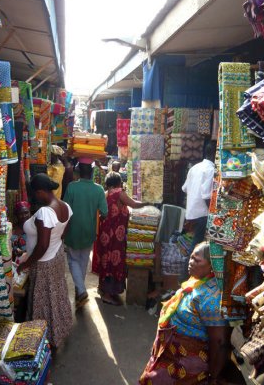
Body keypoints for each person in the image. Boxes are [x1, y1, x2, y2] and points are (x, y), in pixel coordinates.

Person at [139, 242, 229, 385]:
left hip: (185, 361)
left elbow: (218, 341)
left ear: (211, 265)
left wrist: (213, 376)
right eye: (191, 257)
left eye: (197, 260)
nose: (190, 262)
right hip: (170, 353)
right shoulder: (197, 281)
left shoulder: (212, 298)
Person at [17, 173, 73, 348]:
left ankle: (43, 340)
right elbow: (63, 233)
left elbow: (42, 245)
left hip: (44, 261)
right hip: (55, 256)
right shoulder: (65, 206)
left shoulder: (45, 212)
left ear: (41, 191)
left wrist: (26, 263)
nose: (34, 197)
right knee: (54, 294)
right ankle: (58, 331)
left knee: (43, 299)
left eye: (34, 193)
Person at [95, 172, 151, 305]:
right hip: (115, 235)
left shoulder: (105, 193)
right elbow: (133, 204)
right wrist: (148, 202)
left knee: (105, 258)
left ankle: (103, 288)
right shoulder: (119, 192)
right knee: (114, 260)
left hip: (105, 233)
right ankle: (108, 294)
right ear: (119, 183)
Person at [64, 160, 108, 308]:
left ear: (77, 172)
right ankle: (79, 294)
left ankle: (81, 291)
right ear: (92, 172)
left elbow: (65, 210)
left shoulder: (72, 187)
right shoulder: (99, 189)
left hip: (73, 230)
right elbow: (105, 212)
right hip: (89, 231)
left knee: (73, 260)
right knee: (82, 261)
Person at [182, 142, 216, 251]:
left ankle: (189, 266)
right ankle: (189, 267)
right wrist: (213, 214)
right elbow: (206, 195)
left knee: (196, 244)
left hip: (191, 213)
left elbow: (185, 188)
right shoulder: (211, 170)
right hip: (203, 214)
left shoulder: (195, 168)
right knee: (197, 246)